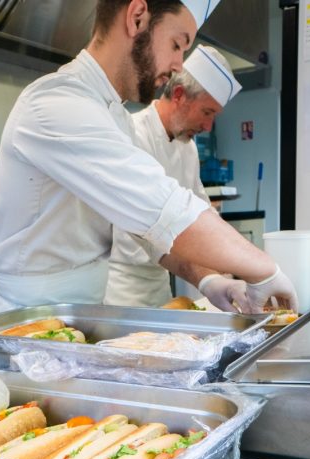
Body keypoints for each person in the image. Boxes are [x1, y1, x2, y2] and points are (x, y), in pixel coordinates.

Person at [0, 0, 298, 316]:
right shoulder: (56, 102)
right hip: (25, 322)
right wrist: (264, 269)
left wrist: (210, 281)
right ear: (136, 18)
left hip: (80, 316)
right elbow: (162, 209)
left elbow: (147, 233)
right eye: (177, 44)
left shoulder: (114, 117)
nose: (178, 65)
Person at [105, 44, 247, 310]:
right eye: (207, 113)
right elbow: (150, 229)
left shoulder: (187, 147)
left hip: (161, 284)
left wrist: (236, 267)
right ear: (180, 95)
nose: (208, 127)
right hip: (121, 291)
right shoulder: (132, 135)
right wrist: (209, 277)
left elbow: (202, 213)